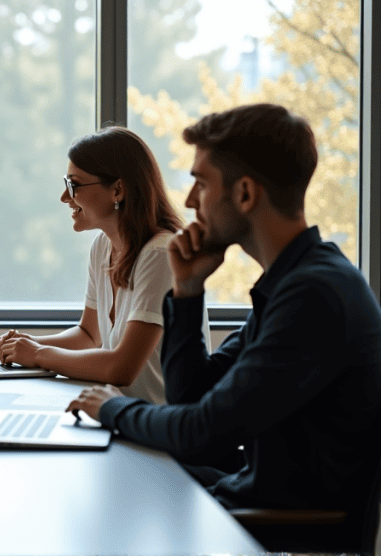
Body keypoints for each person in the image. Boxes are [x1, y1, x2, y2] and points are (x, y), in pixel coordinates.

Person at [66, 104, 381, 552]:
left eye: (201, 183)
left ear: (246, 194)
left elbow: (201, 433)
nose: (190, 201)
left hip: (279, 516)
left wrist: (110, 409)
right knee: (101, 476)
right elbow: (191, 397)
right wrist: (188, 290)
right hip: (246, 491)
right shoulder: (293, 283)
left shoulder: (315, 295)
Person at [0, 127, 208, 404]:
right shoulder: (102, 246)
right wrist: (28, 344)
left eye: (74, 185)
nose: (64, 197)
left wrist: (37, 355)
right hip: (118, 413)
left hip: (159, 426)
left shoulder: (161, 254)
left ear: (117, 190)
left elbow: (121, 368)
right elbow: (89, 335)